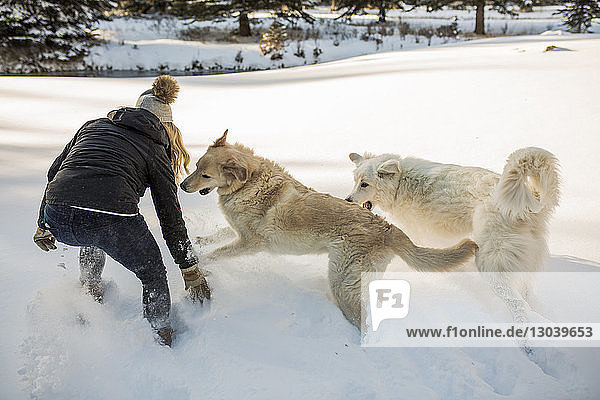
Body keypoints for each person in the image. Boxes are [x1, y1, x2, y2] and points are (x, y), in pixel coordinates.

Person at [33, 75, 210, 346]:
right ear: (167, 125)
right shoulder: (155, 148)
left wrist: (42, 222)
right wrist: (190, 269)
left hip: (57, 214)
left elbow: (54, 173)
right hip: (109, 218)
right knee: (152, 274)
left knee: (93, 233)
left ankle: (90, 292)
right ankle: (161, 338)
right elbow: (170, 217)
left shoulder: (92, 126)